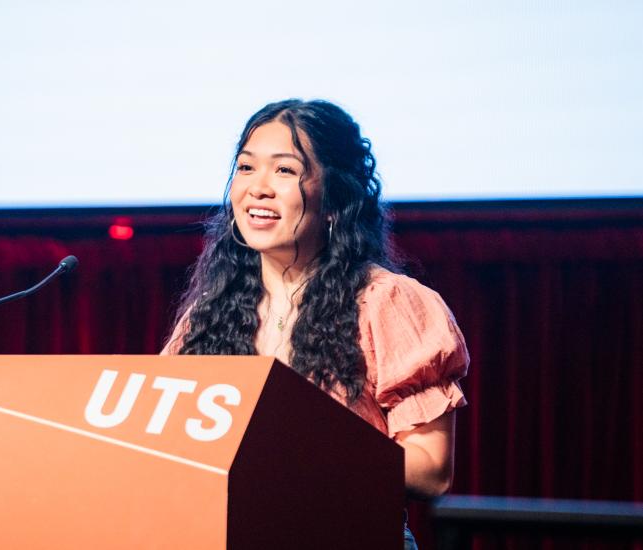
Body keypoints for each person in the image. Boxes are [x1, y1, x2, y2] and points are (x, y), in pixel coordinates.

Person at [161, 99, 469, 548]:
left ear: (335, 198)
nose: (258, 188)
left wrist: (303, 453)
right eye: (246, 168)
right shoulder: (209, 313)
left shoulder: (388, 302)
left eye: (284, 171)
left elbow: (431, 468)